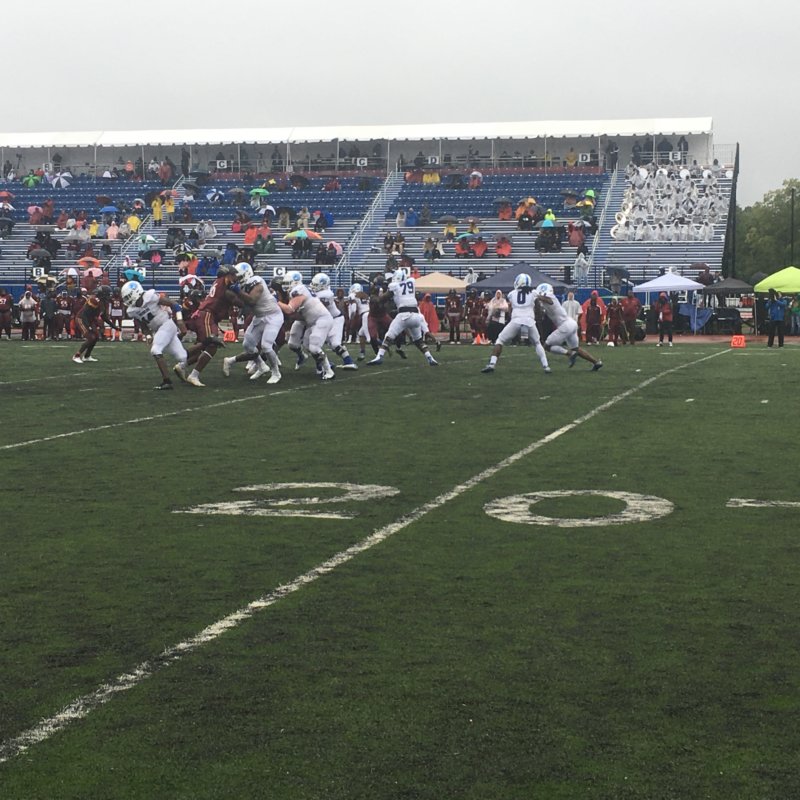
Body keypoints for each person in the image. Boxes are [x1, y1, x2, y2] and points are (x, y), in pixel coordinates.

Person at [174, 265, 242, 386]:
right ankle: (191, 372)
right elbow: (238, 302)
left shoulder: (219, 283)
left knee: (204, 347)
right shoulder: (224, 288)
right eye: (232, 275)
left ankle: (182, 365)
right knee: (211, 345)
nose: (234, 278)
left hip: (206, 315)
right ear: (226, 276)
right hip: (207, 315)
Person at [222, 264, 285, 384]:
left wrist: (237, 291)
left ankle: (276, 372)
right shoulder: (241, 285)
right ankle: (261, 366)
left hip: (272, 316)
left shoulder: (256, 281)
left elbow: (252, 300)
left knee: (266, 346)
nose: (237, 279)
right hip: (259, 316)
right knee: (247, 344)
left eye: (240, 277)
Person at [122, 281, 188, 390]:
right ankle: (180, 370)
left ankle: (167, 381)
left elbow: (174, 304)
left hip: (167, 324)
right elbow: (143, 324)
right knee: (182, 357)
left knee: (156, 349)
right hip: (160, 330)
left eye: (128, 297)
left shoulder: (150, 297)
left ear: (136, 292)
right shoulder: (132, 310)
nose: (127, 300)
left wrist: (180, 320)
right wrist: (148, 335)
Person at [366, 268, 438, 366]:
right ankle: (430, 358)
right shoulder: (411, 282)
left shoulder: (394, 286)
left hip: (404, 315)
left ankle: (379, 356)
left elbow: (382, 299)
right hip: (416, 315)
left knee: (389, 336)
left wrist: (374, 296)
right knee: (418, 340)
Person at [481, 274, 550, 374]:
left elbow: (510, 308)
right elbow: (546, 302)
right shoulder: (533, 292)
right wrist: (540, 297)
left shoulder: (512, 294)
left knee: (500, 340)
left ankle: (492, 364)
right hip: (529, 321)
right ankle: (546, 366)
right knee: (537, 343)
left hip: (516, 320)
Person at [277, 270, 336, 380]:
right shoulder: (300, 290)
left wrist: (276, 301)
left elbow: (289, 309)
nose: (285, 286)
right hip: (312, 321)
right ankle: (321, 366)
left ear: (295, 282)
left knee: (314, 347)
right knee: (307, 346)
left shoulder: (299, 290)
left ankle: (329, 370)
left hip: (321, 319)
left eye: (287, 283)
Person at [537, 283, 603, 371]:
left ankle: (569, 353)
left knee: (547, 346)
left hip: (565, 325)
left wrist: (537, 296)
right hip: (571, 323)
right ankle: (596, 362)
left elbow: (549, 300)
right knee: (576, 348)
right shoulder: (545, 301)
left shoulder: (550, 297)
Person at [72, 287, 113, 363]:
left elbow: (104, 317)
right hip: (81, 319)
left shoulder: (103, 303)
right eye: (107, 294)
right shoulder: (94, 300)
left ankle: (87, 356)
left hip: (90, 320)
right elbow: (85, 314)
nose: (109, 296)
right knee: (91, 337)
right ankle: (76, 356)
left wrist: (114, 327)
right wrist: (88, 326)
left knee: (96, 336)